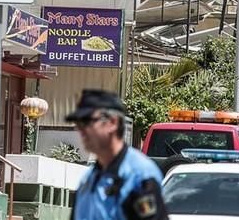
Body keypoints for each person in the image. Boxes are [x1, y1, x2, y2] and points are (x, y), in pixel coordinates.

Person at [67, 89, 168, 220]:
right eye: (78, 123)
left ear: (112, 123)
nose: (80, 130)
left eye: (86, 121)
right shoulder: (87, 180)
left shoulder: (140, 176)